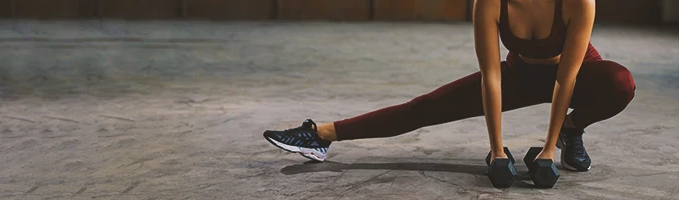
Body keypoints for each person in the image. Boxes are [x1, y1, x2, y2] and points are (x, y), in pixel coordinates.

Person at [263, 0, 635, 173]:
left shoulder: (578, 2)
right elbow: (491, 75)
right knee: (424, 107)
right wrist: (496, 151)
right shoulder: (490, 2)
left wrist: (549, 148)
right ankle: (322, 135)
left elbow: (566, 79)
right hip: (518, 75)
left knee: (620, 83)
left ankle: (572, 132)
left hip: (577, 74)